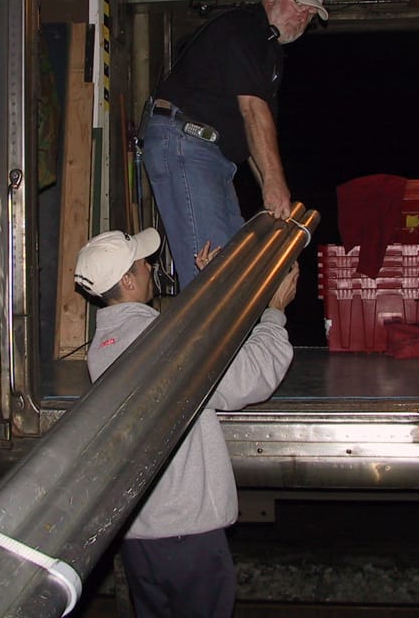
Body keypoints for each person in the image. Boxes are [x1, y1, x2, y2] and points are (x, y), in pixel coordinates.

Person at [74, 227, 299, 618]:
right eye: (142, 263)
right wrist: (275, 314)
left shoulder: (107, 343)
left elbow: (190, 341)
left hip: (140, 532)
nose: (150, 267)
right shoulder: (158, 342)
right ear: (127, 280)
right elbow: (247, 378)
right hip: (185, 533)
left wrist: (211, 287)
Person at [141, 0, 327, 289]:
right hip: (187, 144)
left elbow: (255, 136)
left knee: (233, 264)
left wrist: (276, 199)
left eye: (310, 14)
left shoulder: (269, 53)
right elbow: (253, 112)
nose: (303, 18)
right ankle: (202, 337)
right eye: (299, 5)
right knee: (212, 279)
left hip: (212, 156)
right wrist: (275, 184)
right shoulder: (245, 29)